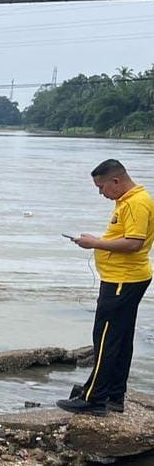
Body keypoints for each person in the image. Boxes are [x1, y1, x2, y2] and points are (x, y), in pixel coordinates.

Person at [58, 158, 154, 416]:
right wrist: (98, 241)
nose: (101, 193)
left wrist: (95, 243)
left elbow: (134, 242)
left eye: (102, 187)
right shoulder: (129, 201)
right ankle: (114, 394)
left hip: (123, 280)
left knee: (106, 339)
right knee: (120, 340)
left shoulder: (136, 203)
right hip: (126, 277)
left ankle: (94, 399)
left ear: (116, 181)